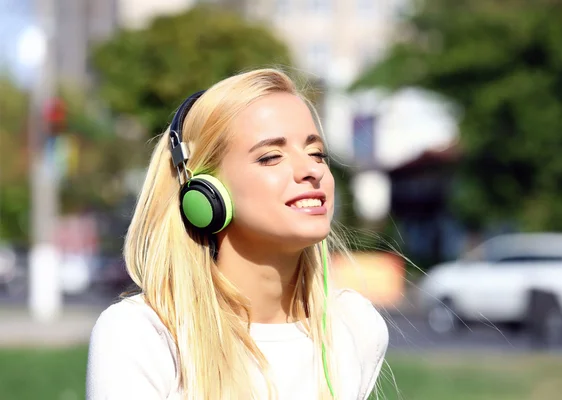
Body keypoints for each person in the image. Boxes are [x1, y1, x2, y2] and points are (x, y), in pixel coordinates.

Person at [86, 68, 389, 400]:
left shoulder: (354, 328)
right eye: (271, 157)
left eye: (317, 153)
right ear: (204, 194)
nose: (311, 170)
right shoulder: (143, 336)